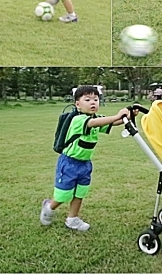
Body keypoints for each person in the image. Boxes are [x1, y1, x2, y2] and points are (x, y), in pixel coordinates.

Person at [40, 85, 131, 230]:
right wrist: (117, 115)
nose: (93, 102)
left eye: (96, 99)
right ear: (78, 104)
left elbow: (112, 122)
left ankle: (72, 219)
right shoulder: (78, 120)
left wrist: (129, 115)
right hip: (69, 163)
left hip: (85, 164)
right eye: (87, 99)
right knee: (63, 195)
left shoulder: (95, 118)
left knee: (80, 193)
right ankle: (49, 207)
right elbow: (94, 123)